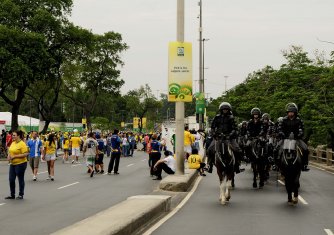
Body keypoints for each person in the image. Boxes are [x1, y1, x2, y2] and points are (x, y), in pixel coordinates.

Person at [208, 102, 244, 174]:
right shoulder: (217, 117)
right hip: (218, 138)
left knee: (237, 150)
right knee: (209, 149)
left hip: (229, 138)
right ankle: (209, 166)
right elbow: (212, 127)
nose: (225, 111)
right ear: (221, 110)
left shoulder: (231, 118)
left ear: (229, 110)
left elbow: (235, 129)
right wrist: (214, 134)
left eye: (226, 109)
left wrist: (229, 135)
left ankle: (237, 166)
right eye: (223, 109)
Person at [278, 103, 310, 171]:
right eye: (289, 112)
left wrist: (299, 135)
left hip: (296, 139)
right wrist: (282, 134)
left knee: (305, 149)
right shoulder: (283, 120)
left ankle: (305, 164)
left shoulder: (299, 120)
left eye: (292, 112)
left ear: (295, 112)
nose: (290, 113)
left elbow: (301, 130)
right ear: (287, 112)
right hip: (285, 138)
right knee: (276, 149)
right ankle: (276, 164)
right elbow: (280, 129)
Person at [5, 130, 29, 200]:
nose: (13, 136)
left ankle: (21, 194)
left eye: (14, 135)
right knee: (11, 179)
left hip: (21, 164)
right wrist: (9, 156)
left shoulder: (22, 144)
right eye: (12, 135)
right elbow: (10, 151)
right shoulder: (13, 143)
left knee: (20, 179)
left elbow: (25, 154)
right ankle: (12, 195)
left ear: (18, 136)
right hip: (13, 164)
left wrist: (15, 156)